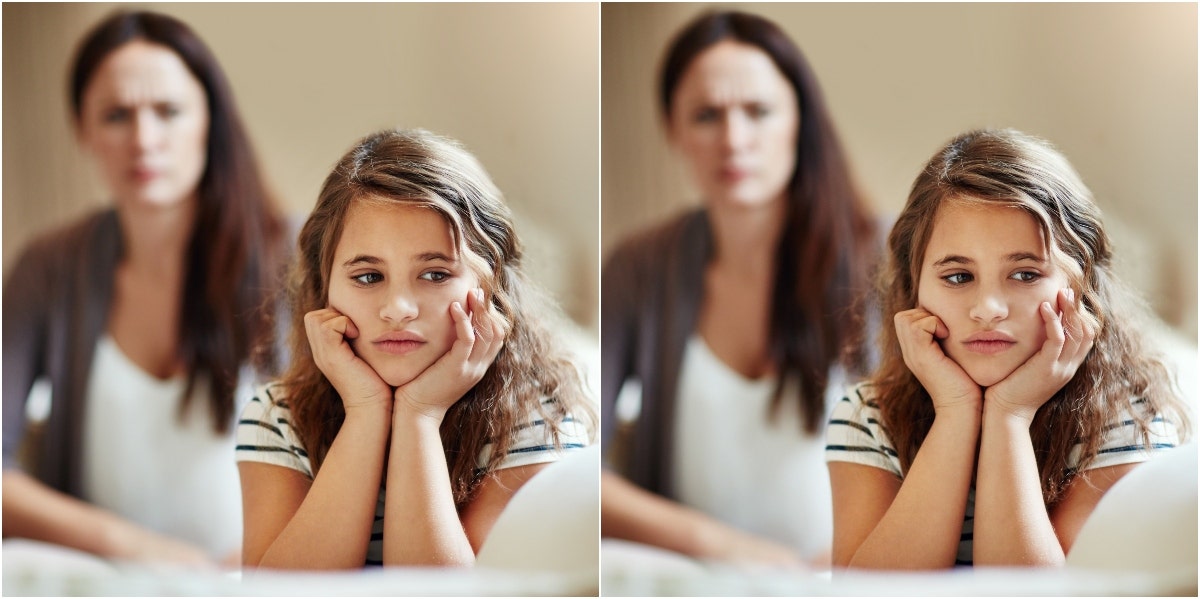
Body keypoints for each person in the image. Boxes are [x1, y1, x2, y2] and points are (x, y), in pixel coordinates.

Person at [826, 128, 1192, 569]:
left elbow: (1034, 593)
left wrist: (1011, 414)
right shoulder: (868, 415)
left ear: (1083, 285)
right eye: (958, 277)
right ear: (912, 288)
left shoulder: (1127, 417)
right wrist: (956, 409)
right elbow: (869, 594)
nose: (988, 309)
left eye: (1024, 275)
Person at [2, 11, 288, 567]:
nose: (143, 139)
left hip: (265, 577)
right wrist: (134, 549)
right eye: (116, 115)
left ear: (211, 121)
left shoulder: (300, 255)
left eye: (168, 111)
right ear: (82, 131)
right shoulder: (48, 267)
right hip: (108, 580)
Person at [236, 128, 594, 569]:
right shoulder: (277, 415)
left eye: (436, 274)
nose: (398, 309)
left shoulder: (538, 418)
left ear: (492, 285)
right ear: (323, 288)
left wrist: (420, 414)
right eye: (368, 277)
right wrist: (366, 409)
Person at [600, 10, 880, 567]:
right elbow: (577, 463)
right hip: (693, 579)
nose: (733, 139)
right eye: (706, 115)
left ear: (799, 120)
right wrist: (720, 548)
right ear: (672, 131)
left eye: (758, 111)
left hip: (850, 575)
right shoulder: (638, 267)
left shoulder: (890, 258)